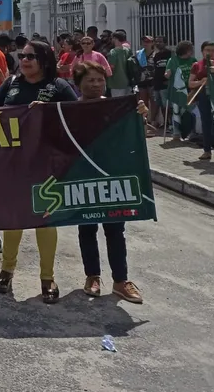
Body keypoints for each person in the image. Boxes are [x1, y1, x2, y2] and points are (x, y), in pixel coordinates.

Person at [0, 40, 76, 304]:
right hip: (13, 163)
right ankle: (6, 270)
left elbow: (78, 117)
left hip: (46, 164)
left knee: (45, 220)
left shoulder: (59, 87)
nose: (24, 60)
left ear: (45, 60)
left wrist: (48, 112)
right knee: (14, 218)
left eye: (31, 56)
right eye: (22, 56)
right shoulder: (11, 84)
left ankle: (47, 278)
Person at [71, 61, 145, 304]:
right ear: (78, 83)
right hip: (83, 177)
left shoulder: (117, 107)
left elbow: (133, 134)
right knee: (87, 228)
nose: (95, 84)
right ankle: (92, 276)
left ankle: (120, 281)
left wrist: (140, 115)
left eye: (99, 79)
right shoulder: (68, 110)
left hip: (112, 176)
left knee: (115, 230)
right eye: (90, 80)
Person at [188, 41, 214, 161]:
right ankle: (207, 150)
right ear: (202, 51)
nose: (210, 53)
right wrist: (201, 81)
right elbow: (190, 83)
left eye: (212, 50)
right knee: (206, 122)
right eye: (207, 50)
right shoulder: (196, 65)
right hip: (204, 96)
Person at [148, 36, 172, 129]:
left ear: (165, 43)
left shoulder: (170, 54)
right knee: (160, 105)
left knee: (167, 106)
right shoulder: (156, 55)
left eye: (160, 42)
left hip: (165, 84)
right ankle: (164, 123)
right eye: (156, 42)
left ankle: (170, 124)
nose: (158, 43)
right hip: (157, 84)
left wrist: (169, 81)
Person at [107, 30, 133, 96]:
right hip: (128, 81)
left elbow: (111, 67)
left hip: (116, 83)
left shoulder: (113, 52)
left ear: (115, 39)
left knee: (118, 102)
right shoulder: (127, 50)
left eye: (112, 38)